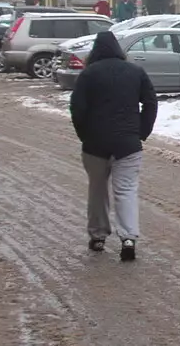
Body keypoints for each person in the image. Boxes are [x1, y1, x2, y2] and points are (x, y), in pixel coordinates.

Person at [68, 31, 158, 261]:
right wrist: (142, 131)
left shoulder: (88, 75)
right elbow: (150, 102)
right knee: (126, 190)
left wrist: (84, 135)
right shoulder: (135, 72)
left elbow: (77, 108)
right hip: (128, 143)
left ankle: (98, 236)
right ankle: (128, 238)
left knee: (97, 189)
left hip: (94, 144)